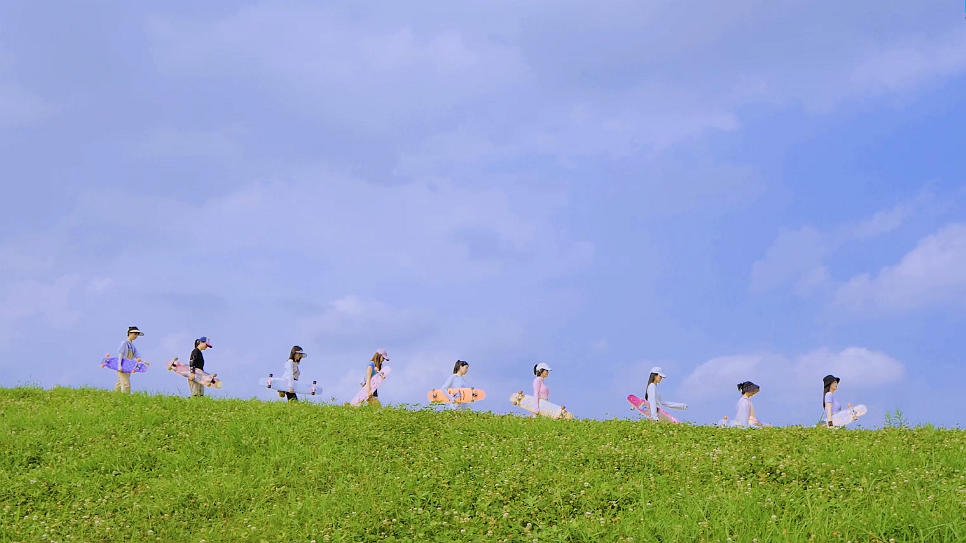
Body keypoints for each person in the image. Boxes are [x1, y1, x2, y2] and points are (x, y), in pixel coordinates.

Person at [114, 326, 144, 394]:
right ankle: (126, 395)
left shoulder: (132, 346)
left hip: (128, 367)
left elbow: (137, 356)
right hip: (123, 366)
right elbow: (120, 354)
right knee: (126, 383)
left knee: (120, 383)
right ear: (130, 333)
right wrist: (119, 366)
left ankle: (114, 395)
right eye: (135, 334)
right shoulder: (124, 343)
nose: (136, 336)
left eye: (137, 335)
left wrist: (144, 362)